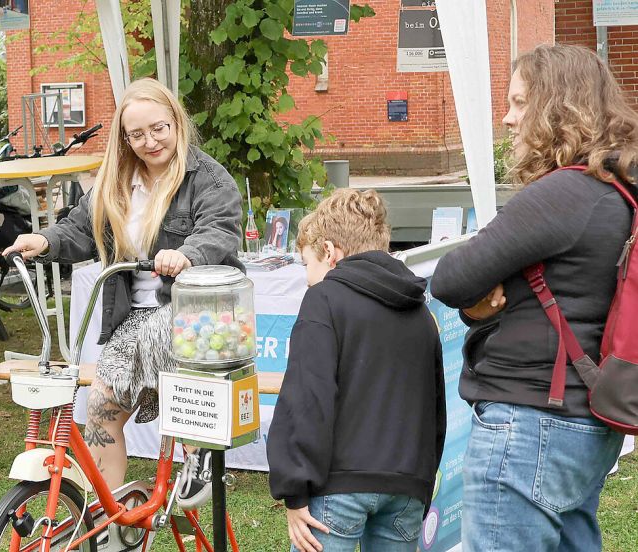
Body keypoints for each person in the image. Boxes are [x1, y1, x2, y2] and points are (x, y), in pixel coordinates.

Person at [430, 44, 637, 552]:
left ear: (557, 107)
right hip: (578, 415)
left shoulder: (565, 194)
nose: (507, 118)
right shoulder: (615, 188)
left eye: (520, 103)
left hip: (530, 425)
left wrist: (476, 296)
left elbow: (450, 277)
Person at [3, 77, 243, 511]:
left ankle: (198, 452)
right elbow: (78, 228)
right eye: (137, 134)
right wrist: (43, 242)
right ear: (125, 138)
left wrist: (186, 254)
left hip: (196, 314)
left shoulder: (209, 178)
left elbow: (220, 230)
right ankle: (105, 514)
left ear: (177, 123)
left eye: (159, 129)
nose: (150, 141)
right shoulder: (118, 181)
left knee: (156, 334)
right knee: (99, 410)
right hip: (133, 318)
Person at [268, 188, 446, 552]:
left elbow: (307, 398)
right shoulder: (421, 313)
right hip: (408, 486)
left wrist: (294, 490)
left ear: (330, 253)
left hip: (338, 488)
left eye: (307, 264)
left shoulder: (323, 300)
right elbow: (435, 408)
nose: (306, 277)